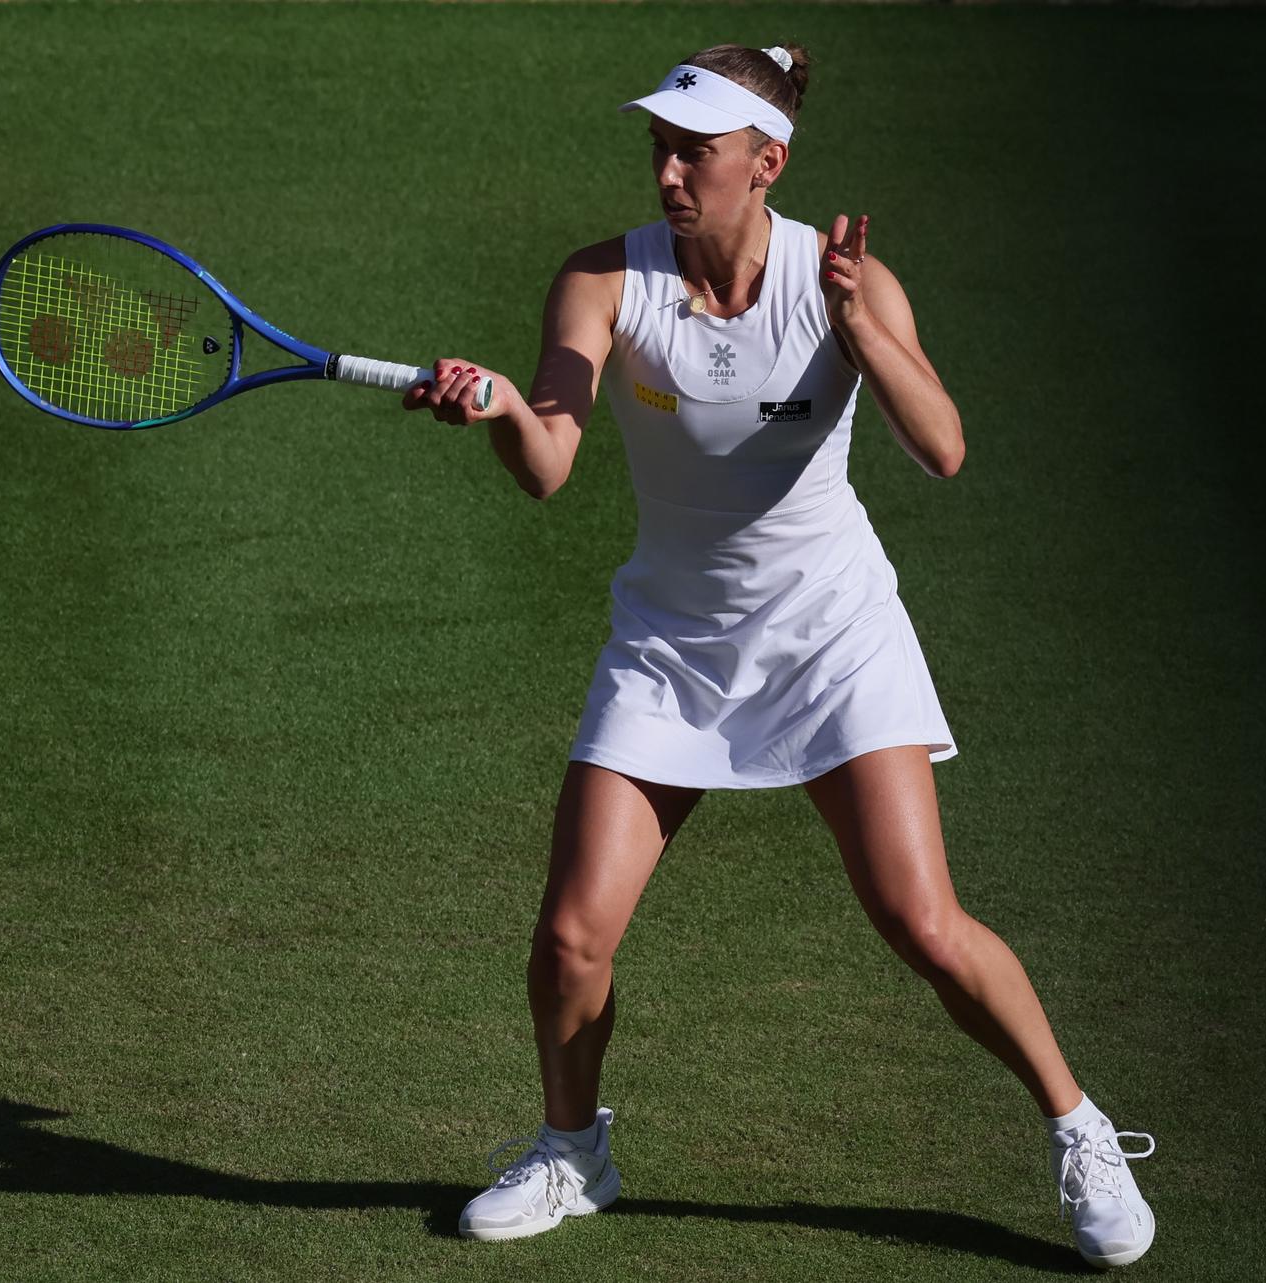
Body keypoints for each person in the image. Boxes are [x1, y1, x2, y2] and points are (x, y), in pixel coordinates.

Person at [404, 42, 1158, 1270]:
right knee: (570, 940)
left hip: (829, 637)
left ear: (768, 161)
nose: (666, 172)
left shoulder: (842, 279)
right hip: (672, 646)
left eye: (693, 150)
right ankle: (570, 1145)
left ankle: (1081, 1128)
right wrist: (496, 406)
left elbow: (946, 448)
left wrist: (865, 329)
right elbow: (549, 464)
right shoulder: (604, 281)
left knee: (922, 918)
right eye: (658, 146)